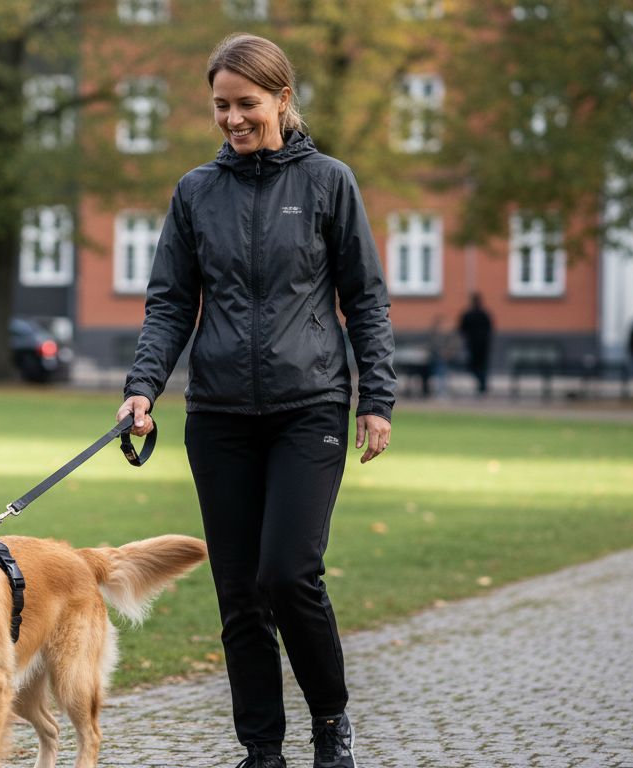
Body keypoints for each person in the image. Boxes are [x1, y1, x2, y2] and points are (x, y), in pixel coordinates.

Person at [116, 33, 395, 768]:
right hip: (219, 418)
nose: (233, 120)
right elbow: (169, 303)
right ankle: (261, 751)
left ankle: (331, 723)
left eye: (246, 104)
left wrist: (378, 398)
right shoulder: (195, 193)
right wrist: (142, 388)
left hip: (310, 408)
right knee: (239, 593)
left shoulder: (330, 182)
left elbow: (364, 298)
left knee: (287, 575)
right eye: (220, 106)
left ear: (281, 98)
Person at [457, 293, 493, 395]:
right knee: (481, 366)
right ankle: (482, 385)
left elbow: (461, 329)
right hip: (482, 345)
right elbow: (489, 329)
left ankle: (482, 385)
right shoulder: (484, 314)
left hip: (473, 345)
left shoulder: (469, 314)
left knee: (474, 366)